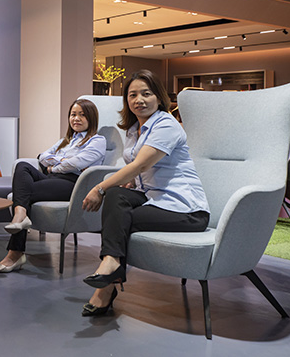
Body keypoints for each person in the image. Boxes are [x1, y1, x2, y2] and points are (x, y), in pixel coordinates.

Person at [80, 70, 209, 316]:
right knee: (116, 196)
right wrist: (128, 183)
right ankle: (111, 267)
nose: (139, 100)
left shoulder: (166, 124)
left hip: (185, 210)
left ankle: (107, 283)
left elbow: (140, 165)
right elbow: (139, 171)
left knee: (118, 218)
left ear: (159, 98)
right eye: (133, 95)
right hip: (154, 199)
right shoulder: (134, 130)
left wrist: (99, 188)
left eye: (146, 94)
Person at [0, 99, 106, 273]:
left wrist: (54, 166)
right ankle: (21, 215)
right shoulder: (66, 141)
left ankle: (15, 253)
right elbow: (42, 156)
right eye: (73, 114)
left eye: (82, 115)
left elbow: (77, 163)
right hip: (52, 178)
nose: (76, 118)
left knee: (23, 195)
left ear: (91, 118)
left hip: (73, 184)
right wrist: (62, 161)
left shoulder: (97, 141)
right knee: (22, 166)